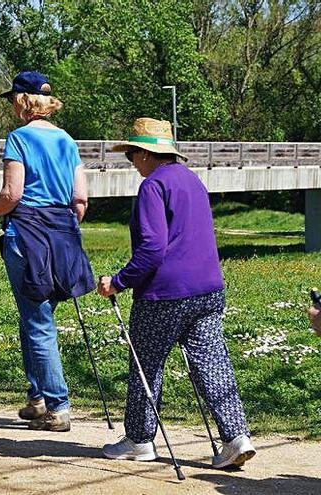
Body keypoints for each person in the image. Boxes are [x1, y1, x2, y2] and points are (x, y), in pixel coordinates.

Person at [97, 118, 255, 469]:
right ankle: (235, 436)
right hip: (209, 289)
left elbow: (153, 248)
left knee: (146, 366)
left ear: (145, 154)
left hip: (165, 294)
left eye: (133, 155)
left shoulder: (152, 186)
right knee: (212, 363)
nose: (132, 162)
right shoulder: (192, 180)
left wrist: (119, 281)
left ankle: (139, 439)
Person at [0, 71, 93, 432]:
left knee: (37, 321)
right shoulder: (67, 140)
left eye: (12, 100)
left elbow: (11, 196)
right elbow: (80, 200)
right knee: (34, 315)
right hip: (64, 232)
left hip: (27, 233)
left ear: (23, 101)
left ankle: (58, 405)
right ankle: (36, 398)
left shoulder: (18, 139)